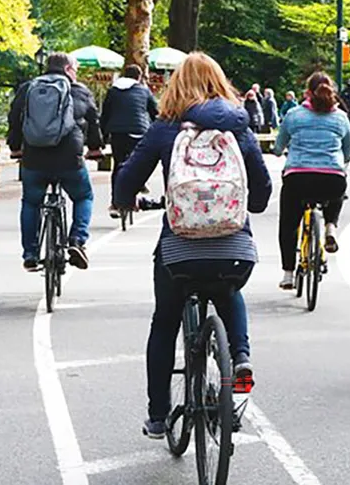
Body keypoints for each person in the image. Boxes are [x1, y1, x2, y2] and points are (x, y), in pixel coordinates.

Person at [113, 52, 272, 440]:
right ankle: (241, 361)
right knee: (228, 290)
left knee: (164, 321)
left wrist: (125, 198)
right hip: (234, 248)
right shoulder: (240, 128)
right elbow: (263, 192)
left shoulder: (165, 128)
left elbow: (127, 180)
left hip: (179, 249)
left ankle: (157, 415)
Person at [7, 52, 104, 272]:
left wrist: (15, 147)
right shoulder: (79, 91)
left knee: (31, 202)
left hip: (34, 157)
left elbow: (14, 118)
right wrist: (95, 148)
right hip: (69, 157)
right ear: (69, 69)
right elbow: (93, 121)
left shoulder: (28, 89)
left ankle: (30, 254)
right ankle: (77, 241)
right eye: (76, 70)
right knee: (83, 196)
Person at [273, 72, 350, 290]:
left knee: (288, 224)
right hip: (332, 179)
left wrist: (281, 151)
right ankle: (330, 226)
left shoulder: (293, 115)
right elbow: (348, 152)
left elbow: (278, 147)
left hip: (298, 177)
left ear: (308, 92)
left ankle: (288, 274)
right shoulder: (341, 117)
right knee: (338, 186)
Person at [101, 64, 159, 218]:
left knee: (118, 165)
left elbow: (105, 113)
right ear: (139, 77)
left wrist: (103, 136)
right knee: (138, 163)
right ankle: (139, 185)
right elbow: (155, 111)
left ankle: (115, 203)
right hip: (139, 131)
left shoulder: (113, 91)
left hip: (118, 132)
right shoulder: (143, 90)